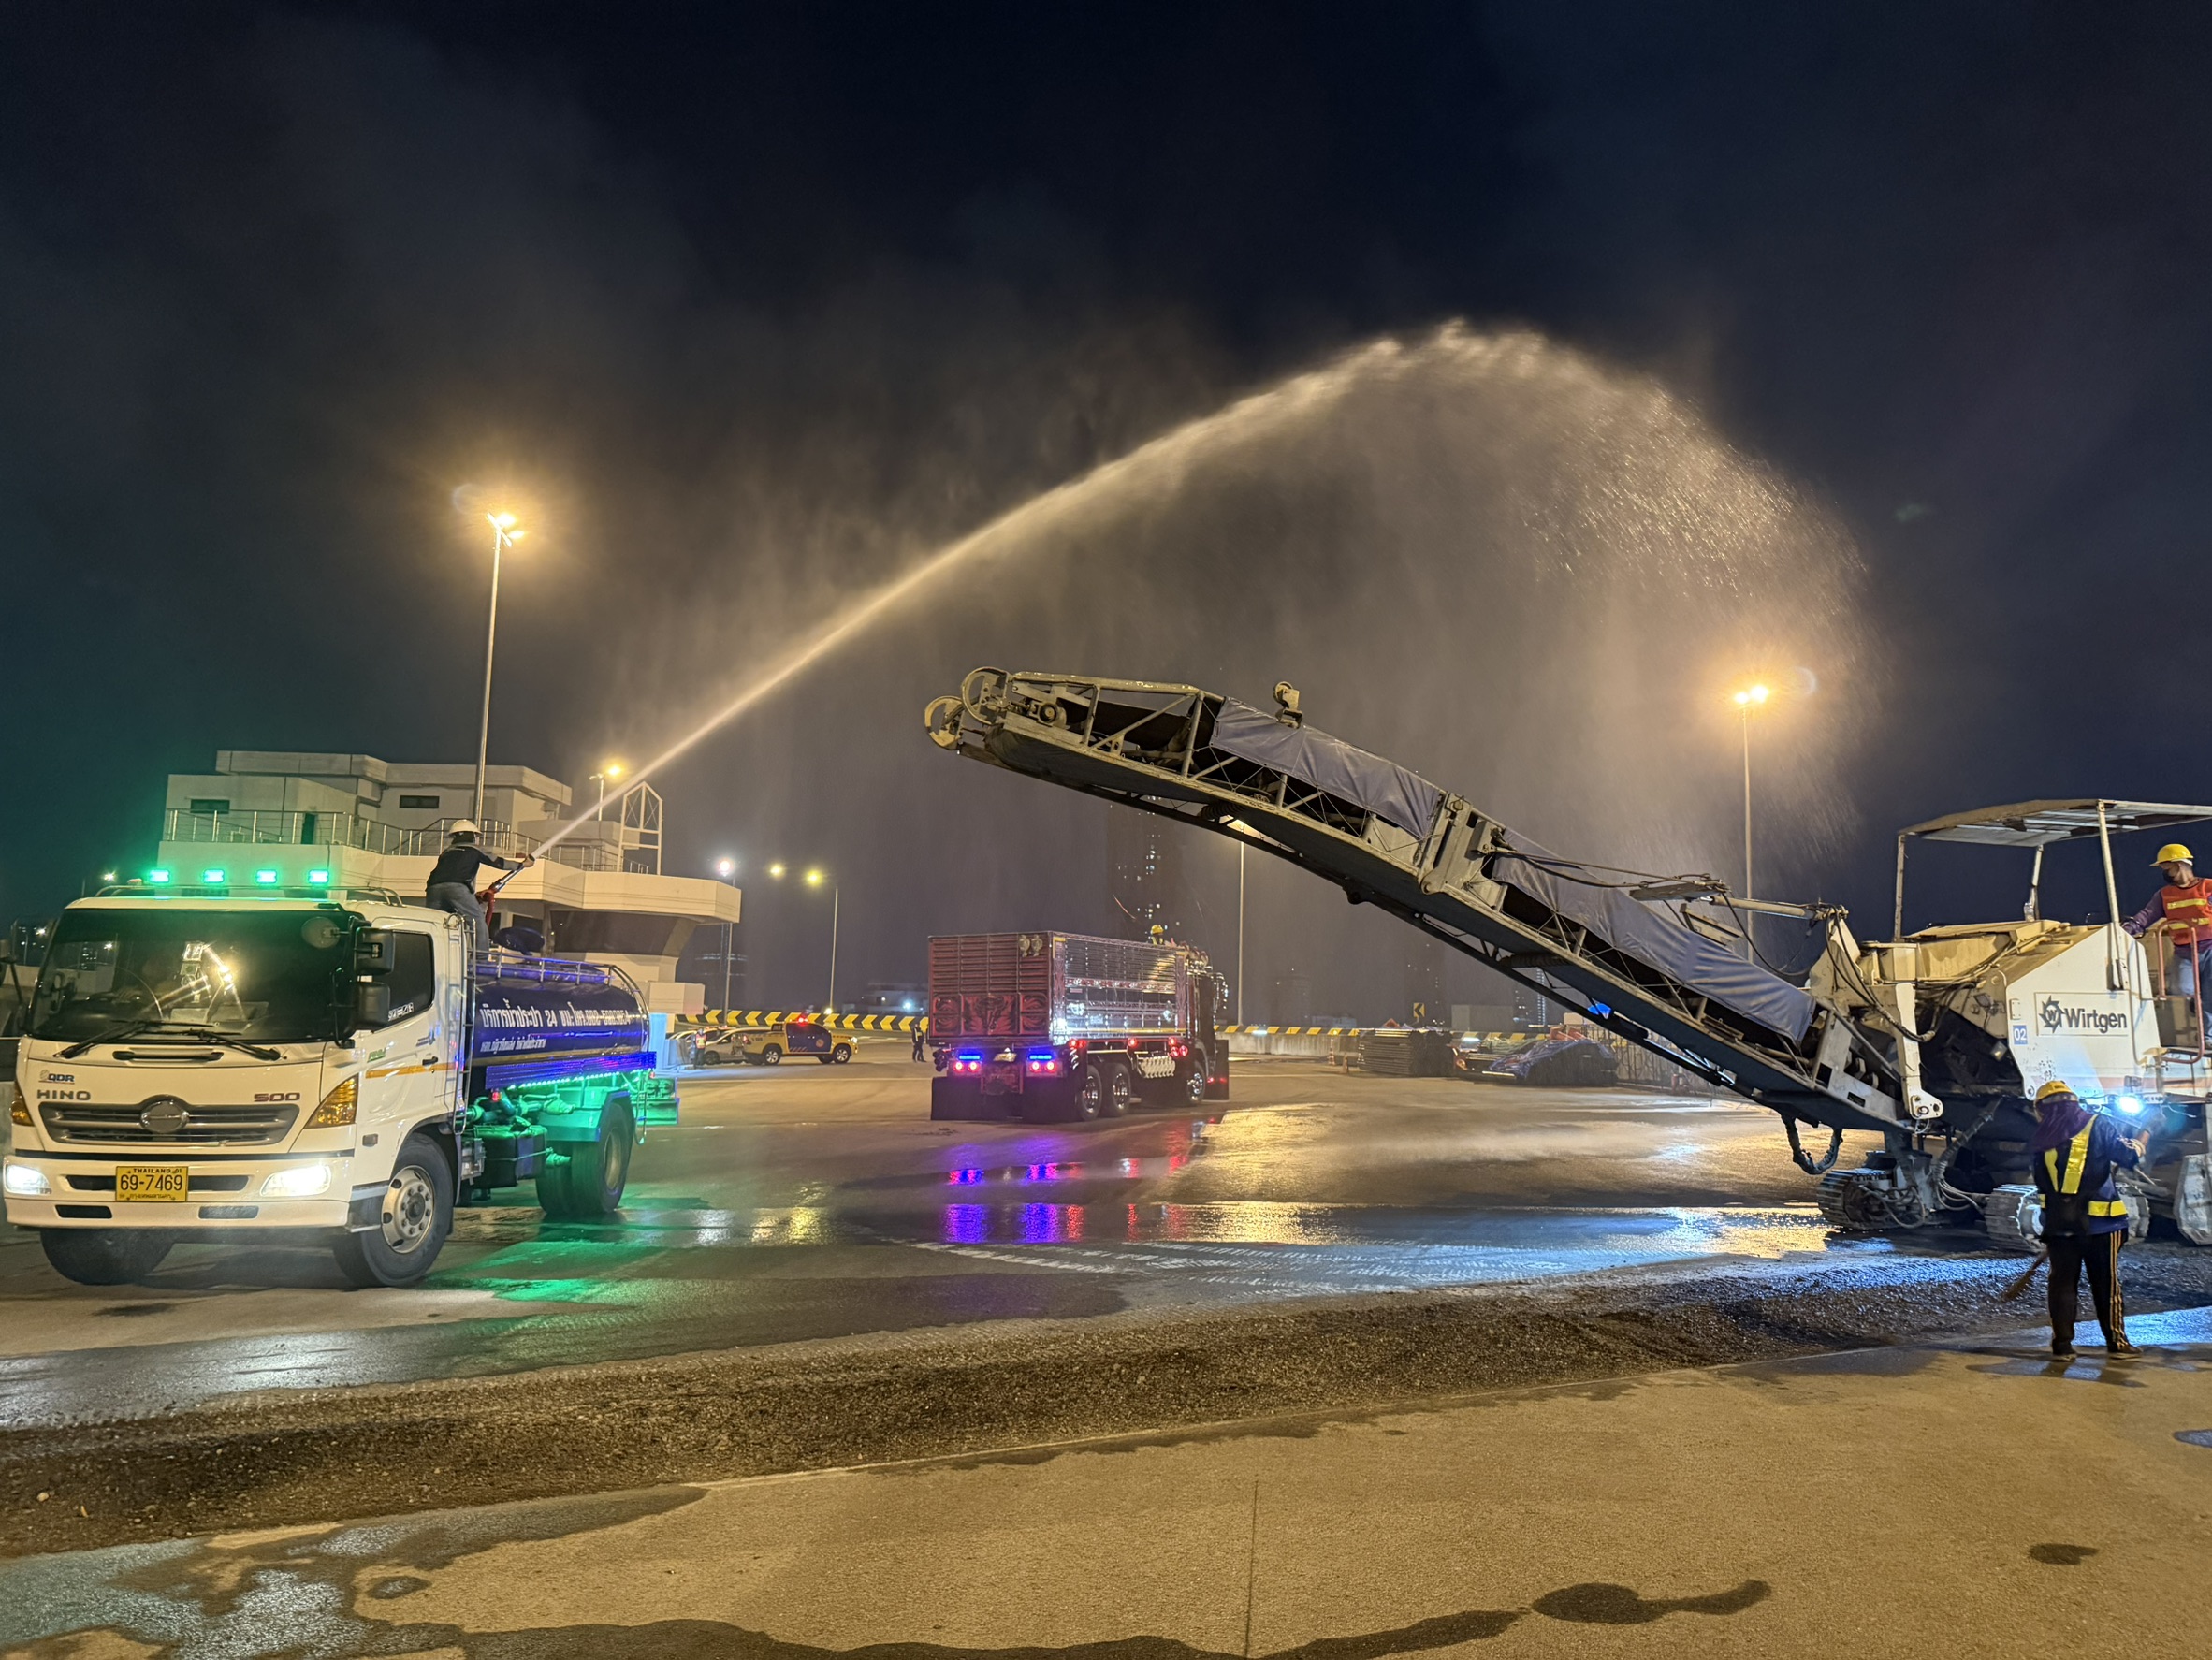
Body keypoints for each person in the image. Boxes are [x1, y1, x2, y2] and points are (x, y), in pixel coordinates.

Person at [2030, 1079, 2146, 1359]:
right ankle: (2117, 1344)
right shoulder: (2099, 1124)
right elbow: (2128, 1158)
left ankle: (2062, 1346)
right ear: (2075, 1102)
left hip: (2060, 1227)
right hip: (2102, 1226)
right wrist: (2144, 1138)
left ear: (2041, 1109)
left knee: (2062, 1285)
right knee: (2107, 1284)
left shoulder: (2039, 1137)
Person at [425, 821, 533, 954]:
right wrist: (522, 865)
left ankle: (432, 954)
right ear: (472, 835)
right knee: (476, 921)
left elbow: (448, 874)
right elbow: (498, 862)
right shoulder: (475, 849)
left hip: (433, 889)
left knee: (436, 922)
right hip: (457, 888)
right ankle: (481, 957)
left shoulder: (447, 852)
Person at [2123, 842, 2212, 1002]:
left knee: (2209, 996)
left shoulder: (2208, 887)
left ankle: (2205, 1012)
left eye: (2167, 868)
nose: (2165, 873)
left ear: (2179, 864)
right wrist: (2126, 930)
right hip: (2184, 952)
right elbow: (2146, 916)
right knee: (2182, 988)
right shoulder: (2164, 894)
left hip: (2210, 948)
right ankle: (2197, 1004)